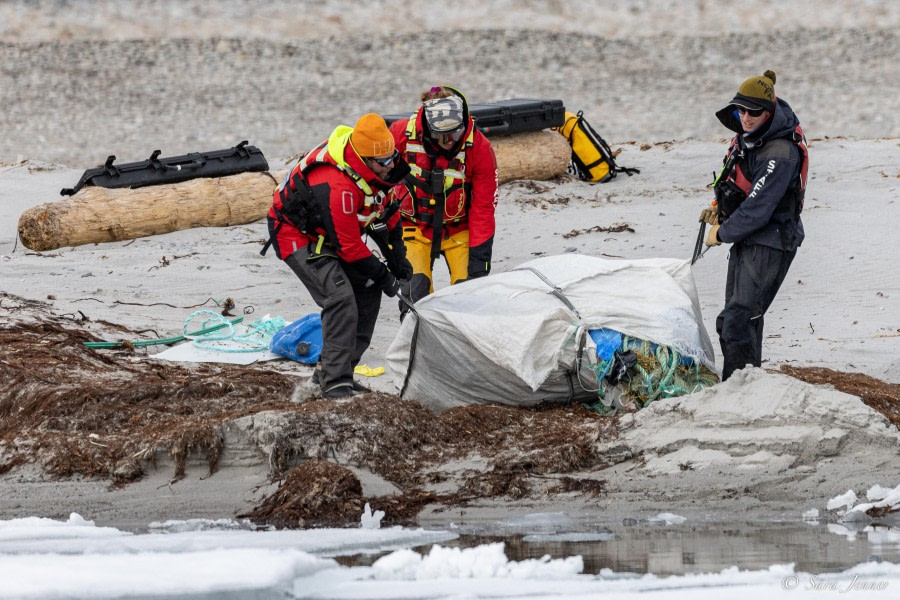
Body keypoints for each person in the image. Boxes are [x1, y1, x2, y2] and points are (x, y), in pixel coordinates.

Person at [264, 113, 413, 398]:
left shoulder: (381, 166)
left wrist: (397, 258)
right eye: (384, 162)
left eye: (392, 156)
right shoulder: (338, 184)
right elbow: (350, 247)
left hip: (332, 232)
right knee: (340, 297)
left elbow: (388, 212)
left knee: (368, 292)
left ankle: (337, 373)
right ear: (366, 159)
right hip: (295, 233)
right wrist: (385, 277)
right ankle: (334, 383)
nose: (391, 165)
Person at [701, 70, 809, 381]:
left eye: (754, 112)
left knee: (737, 318)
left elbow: (760, 208)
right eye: (741, 110)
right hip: (748, 236)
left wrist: (722, 233)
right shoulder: (751, 137)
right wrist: (719, 211)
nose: (746, 118)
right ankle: (746, 382)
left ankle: (740, 389)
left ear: (770, 110)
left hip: (772, 240)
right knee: (741, 317)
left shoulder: (780, 152)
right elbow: (741, 184)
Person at [388, 86, 498, 315]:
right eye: (441, 136)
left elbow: (483, 210)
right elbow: (378, 179)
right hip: (412, 229)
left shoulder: (480, 147)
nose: (448, 142)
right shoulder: (400, 134)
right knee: (413, 299)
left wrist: (480, 264)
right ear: (428, 128)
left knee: (471, 298)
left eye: (454, 134)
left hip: (460, 231)